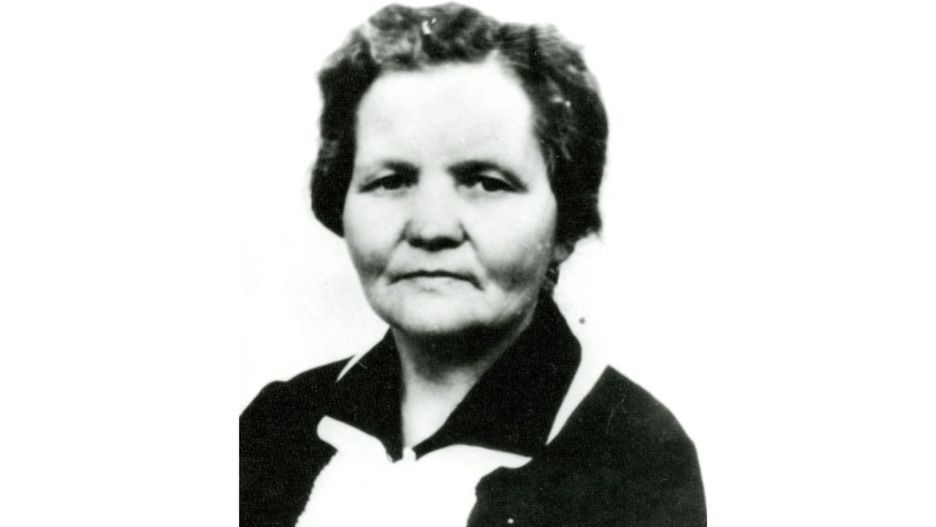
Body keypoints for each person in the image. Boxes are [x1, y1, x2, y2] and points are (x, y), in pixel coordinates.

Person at [240, 3, 705, 526]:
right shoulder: (277, 426)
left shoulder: (633, 461)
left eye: (486, 182)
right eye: (390, 180)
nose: (430, 227)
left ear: (565, 226)